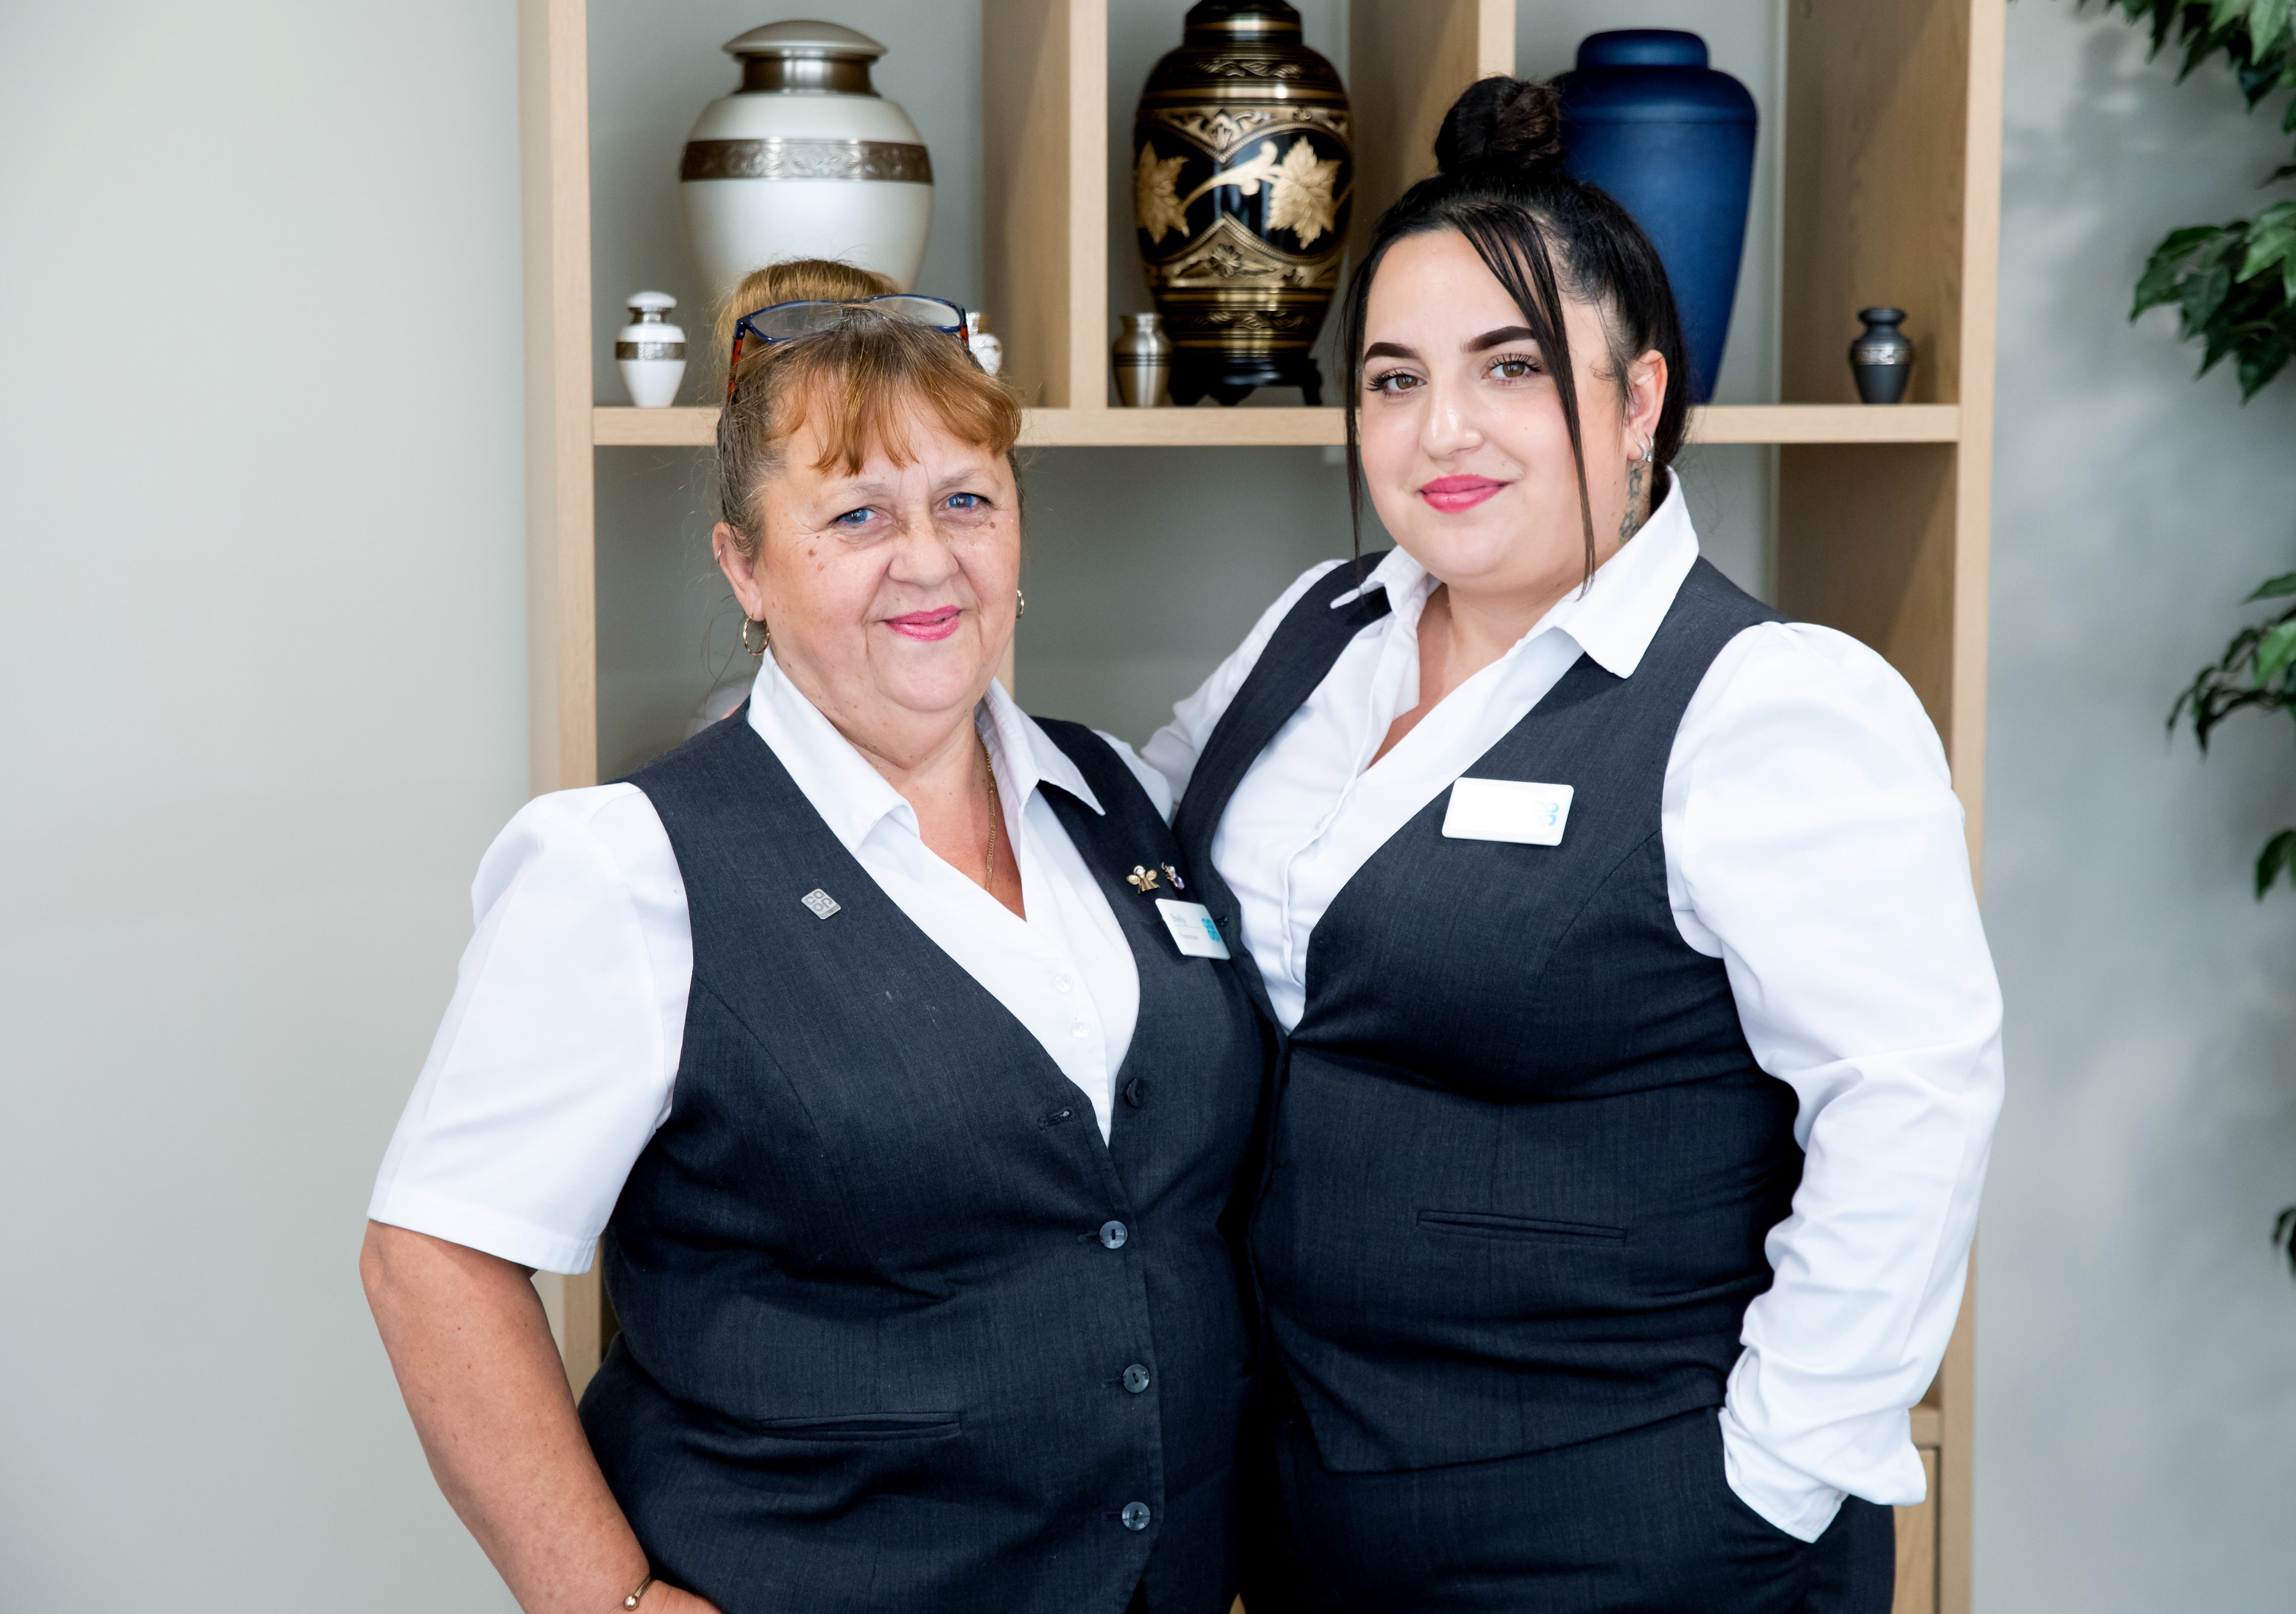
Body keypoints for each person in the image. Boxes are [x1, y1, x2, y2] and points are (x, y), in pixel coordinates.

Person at [1143, 79, 2004, 1613]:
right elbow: (1124, 841)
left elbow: (1913, 1115)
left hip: (1634, 1526)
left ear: (1636, 400)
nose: (1443, 431)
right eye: (1395, 379)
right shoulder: (1321, 631)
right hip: (1314, 1507)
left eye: (1513, 369)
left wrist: (1770, 1479)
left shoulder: (1767, 704)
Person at [361, 259, 1265, 1614]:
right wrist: (612, 1606)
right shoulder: (627, 867)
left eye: (967, 500)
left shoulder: (1113, 799)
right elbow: (430, 1259)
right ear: (746, 565)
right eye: (855, 514)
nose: (928, 559)